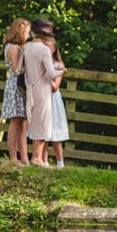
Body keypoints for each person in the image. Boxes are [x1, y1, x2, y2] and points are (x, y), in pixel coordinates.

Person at [21, 18, 58, 167]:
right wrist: (62, 70)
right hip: (43, 88)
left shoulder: (27, 47)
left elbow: (20, 68)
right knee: (43, 123)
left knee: (35, 121)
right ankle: (37, 157)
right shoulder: (44, 50)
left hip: (31, 87)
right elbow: (51, 72)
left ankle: (37, 157)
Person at [0, 18, 32, 166]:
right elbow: (17, 69)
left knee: (21, 122)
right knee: (15, 122)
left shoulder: (15, 47)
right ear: (20, 32)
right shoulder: (13, 48)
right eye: (27, 32)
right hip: (15, 87)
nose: (29, 35)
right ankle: (13, 158)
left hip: (18, 87)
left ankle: (23, 157)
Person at [46, 38, 70, 168]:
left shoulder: (58, 65)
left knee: (55, 132)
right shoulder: (40, 63)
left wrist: (45, 75)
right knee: (42, 133)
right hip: (42, 98)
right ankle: (44, 161)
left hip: (53, 100)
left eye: (49, 47)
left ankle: (60, 163)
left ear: (54, 49)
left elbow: (55, 87)